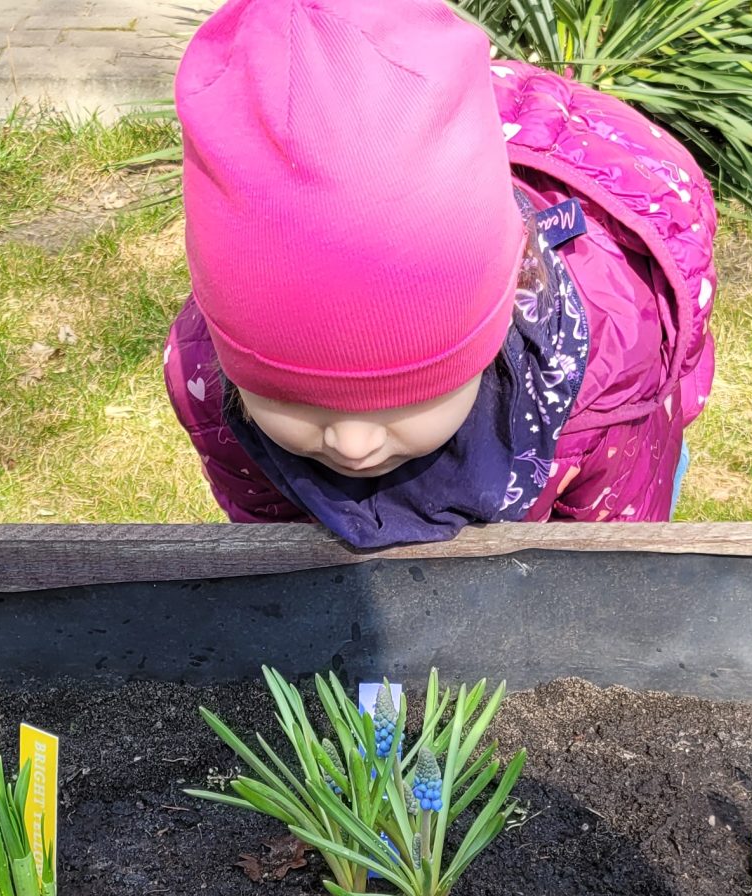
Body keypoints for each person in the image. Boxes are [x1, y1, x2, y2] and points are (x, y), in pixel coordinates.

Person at [164, 0, 719, 549]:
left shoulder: (607, 378)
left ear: (493, 334)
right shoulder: (207, 382)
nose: (353, 445)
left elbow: (620, 552)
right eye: (291, 399)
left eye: (405, 395)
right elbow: (274, 535)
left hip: (605, 453)